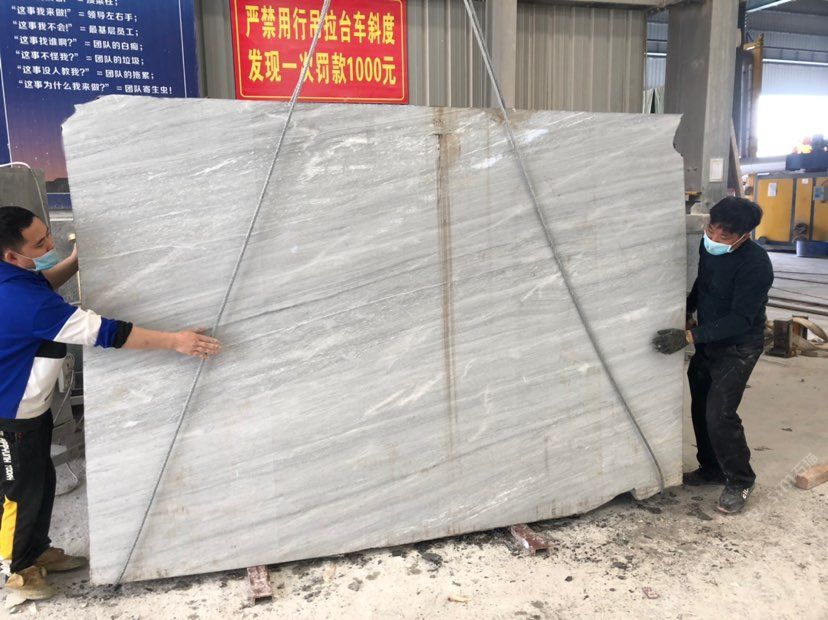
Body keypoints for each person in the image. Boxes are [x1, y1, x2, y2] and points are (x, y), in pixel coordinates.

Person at [0, 206, 221, 601]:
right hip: (11, 414)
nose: (49, 244)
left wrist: (73, 263)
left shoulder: (12, 277)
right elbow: (106, 333)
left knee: (42, 480)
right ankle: (17, 569)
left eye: (47, 233)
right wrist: (175, 341)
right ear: (11, 255)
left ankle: (36, 549)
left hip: (28, 406)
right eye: (40, 243)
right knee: (21, 490)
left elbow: (41, 285)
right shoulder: (23, 301)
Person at [652, 197, 773, 515]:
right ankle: (711, 468)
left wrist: (689, 337)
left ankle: (741, 480)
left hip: (739, 346)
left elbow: (741, 319)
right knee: (700, 405)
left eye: (724, 235)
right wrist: (688, 309)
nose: (714, 238)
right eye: (711, 230)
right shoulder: (709, 247)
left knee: (720, 413)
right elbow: (703, 283)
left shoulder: (756, 265)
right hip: (709, 340)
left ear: (744, 235)